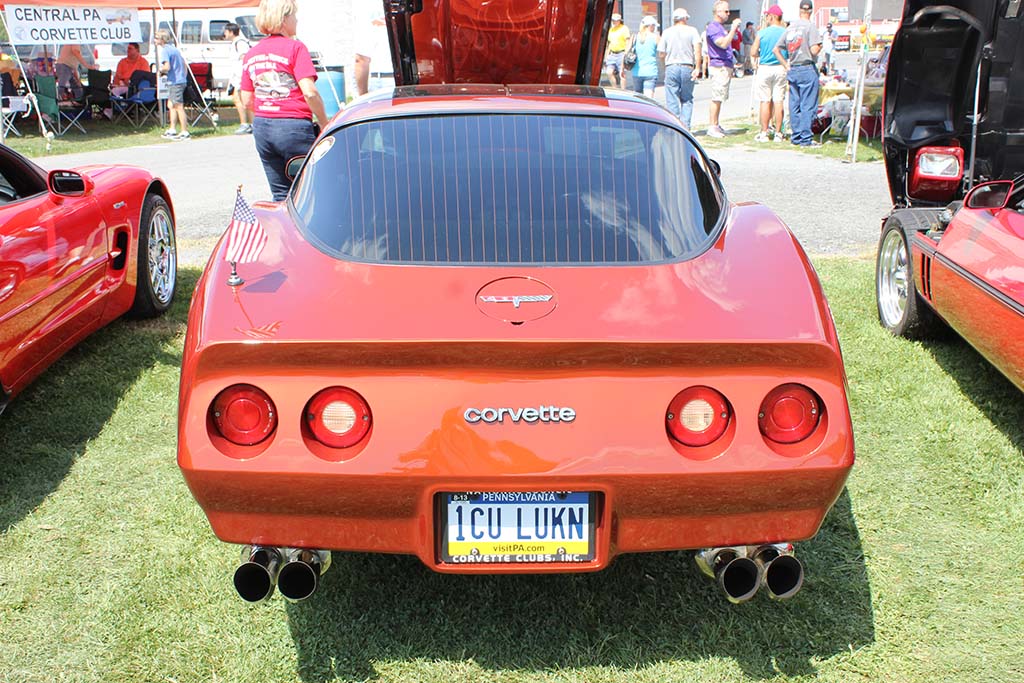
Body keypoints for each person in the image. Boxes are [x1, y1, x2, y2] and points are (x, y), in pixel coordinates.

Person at [241, 0, 329, 201]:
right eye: (294, 16)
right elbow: (310, 93)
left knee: (280, 194)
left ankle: (281, 232)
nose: (296, 20)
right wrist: (324, 122)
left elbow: (246, 99)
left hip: (263, 127)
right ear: (283, 19)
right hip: (293, 126)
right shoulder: (296, 48)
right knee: (309, 190)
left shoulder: (251, 54)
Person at [773, 0, 822, 147]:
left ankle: (796, 136)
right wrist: (820, 46)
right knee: (808, 104)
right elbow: (814, 50)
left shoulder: (790, 27)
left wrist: (786, 64)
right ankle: (806, 138)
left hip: (793, 68)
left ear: (800, 10)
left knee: (794, 104)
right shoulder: (811, 27)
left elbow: (776, 49)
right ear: (811, 11)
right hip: (807, 67)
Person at [658, 7, 702, 129]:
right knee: (687, 99)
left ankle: (675, 126)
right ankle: (685, 127)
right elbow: (697, 50)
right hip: (687, 66)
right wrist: (697, 68)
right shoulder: (692, 31)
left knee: (672, 98)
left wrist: (665, 64)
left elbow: (661, 53)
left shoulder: (667, 32)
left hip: (671, 66)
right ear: (685, 18)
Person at [705, 1, 741, 137]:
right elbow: (723, 43)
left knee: (720, 96)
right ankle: (712, 126)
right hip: (718, 66)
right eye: (726, 11)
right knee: (717, 96)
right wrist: (733, 29)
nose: (728, 14)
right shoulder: (713, 27)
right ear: (718, 12)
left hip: (725, 64)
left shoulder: (720, 27)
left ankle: (716, 123)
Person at [751, 5, 787, 142]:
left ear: (772, 16)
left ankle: (764, 132)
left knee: (765, 101)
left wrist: (762, 53)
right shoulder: (785, 32)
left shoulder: (762, 33)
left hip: (765, 67)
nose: (766, 18)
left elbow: (753, 52)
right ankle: (778, 133)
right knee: (779, 101)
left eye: (767, 16)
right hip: (780, 67)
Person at [156, 30, 189, 140]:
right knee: (171, 105)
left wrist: (160, 71)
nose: (155, 40)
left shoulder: (165, 50)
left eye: (156, 38)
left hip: (175, 82)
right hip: (180, 80)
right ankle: (172, 129)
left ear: (162, 39)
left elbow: (167, 67)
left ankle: (184, 131)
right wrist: (183, 76)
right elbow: (184, 64)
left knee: (178, 106)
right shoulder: (174, 49)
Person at [223, 23, 252, 134]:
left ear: (231, 32)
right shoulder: (235, 43)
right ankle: (245, 122)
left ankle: (248, 123)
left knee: (244, 100)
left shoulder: (240, 43)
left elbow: (244, 58)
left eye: (226, 31)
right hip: (236, 76)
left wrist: (242, 77)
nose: (224, 34)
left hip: (241, 76)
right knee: (237, 99)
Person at [353, 4, 388, 96]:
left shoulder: (366, 8)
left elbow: (361, 60)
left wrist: (362, 96)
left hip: (381, 80)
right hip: (412, 76)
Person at [630, 16, 660, 98]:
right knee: (648, 98)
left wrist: (622, 68)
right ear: (651, 26)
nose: (654, 28)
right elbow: (662, 53)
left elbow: (626, 53)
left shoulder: (634, 37)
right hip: (650, 71)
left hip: (636, 71)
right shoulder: (655, 37)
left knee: (638, 98)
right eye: (654, 26)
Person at [604, 13, 631, 88]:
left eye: (616, 20)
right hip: (612, 54)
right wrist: (607, 55)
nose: (614, 22)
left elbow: (627, 41)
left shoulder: (624, 28)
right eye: (613, 20)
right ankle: (614, 88)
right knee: (609, 72)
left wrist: (626, 53)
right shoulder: (611, 30)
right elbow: (609, 44)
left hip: (621, 53)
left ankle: (623, 90)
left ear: (619, 21)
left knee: (622, 73)